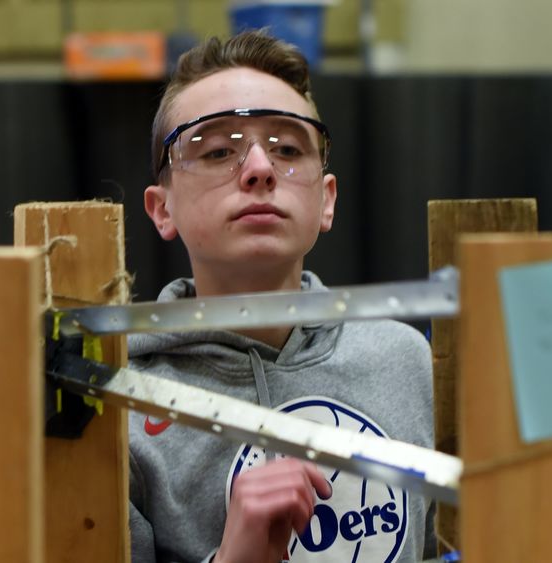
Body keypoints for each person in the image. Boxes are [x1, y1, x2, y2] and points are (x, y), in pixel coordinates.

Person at [128, 30, 434, 563]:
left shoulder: (404, 361)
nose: (260, 169)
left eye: (288, 149)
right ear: (162, 209)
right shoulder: (120, 405)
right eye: (218, 150)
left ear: (326, 200)